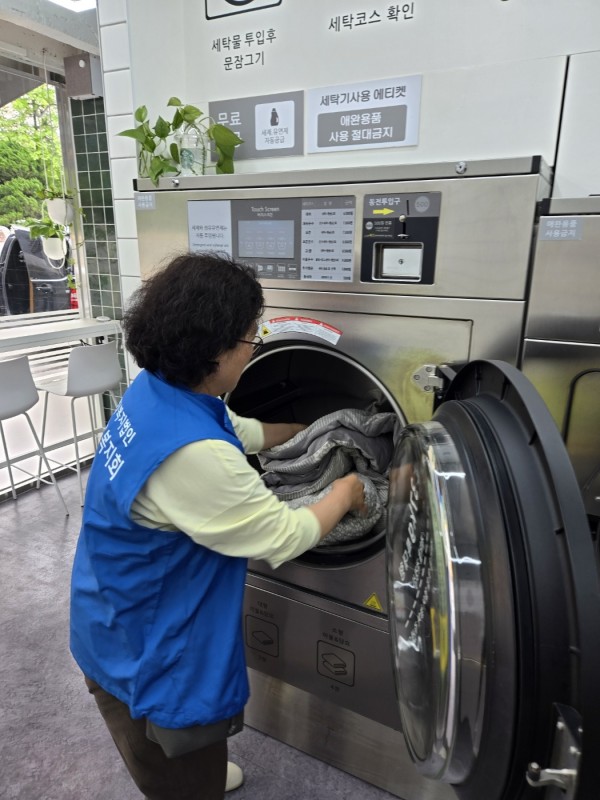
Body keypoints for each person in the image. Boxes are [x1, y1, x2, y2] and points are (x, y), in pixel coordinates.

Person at [70, 252, 366, 800]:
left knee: (175, 751)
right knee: (174, 761)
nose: (255, 349)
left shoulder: (157, 392)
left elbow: (240, 429)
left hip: (110, 607)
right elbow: (284, 536)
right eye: (251, 337)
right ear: (215, 349)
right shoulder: (195, 455)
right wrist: (346, 491)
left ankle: (187, 775)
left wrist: (308, 431)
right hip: (144, 650)